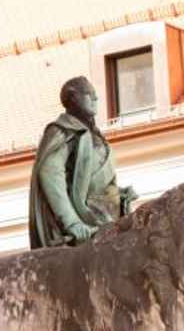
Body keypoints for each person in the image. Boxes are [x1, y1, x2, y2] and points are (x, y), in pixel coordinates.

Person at [27, 76, 138, 249]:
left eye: (95, 94)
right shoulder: (62, 131)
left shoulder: (94, 134)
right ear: (73, 98)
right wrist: (72, 223)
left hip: (108, 218)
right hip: (87, 223)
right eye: (89, 94)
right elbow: (50, 173)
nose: (96, 99)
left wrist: (119, 194)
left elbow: (96, 181)